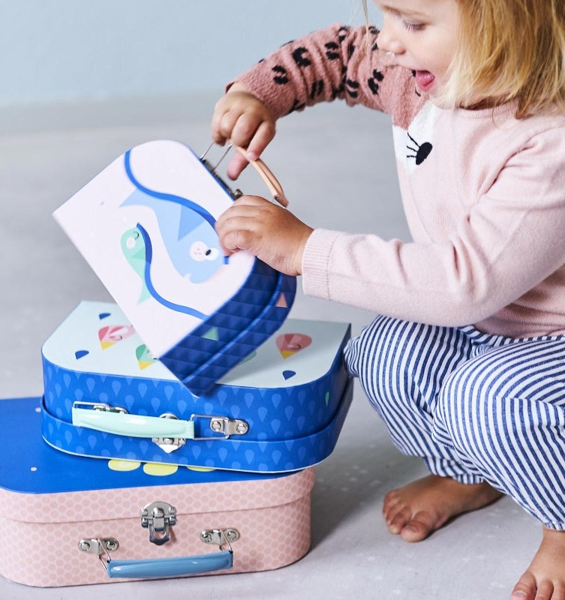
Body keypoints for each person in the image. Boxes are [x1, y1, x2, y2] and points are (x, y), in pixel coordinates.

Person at [211, 0, 565, 598]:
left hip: (549, 334)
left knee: (489, 401)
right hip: (488, 316)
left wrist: (306, 251)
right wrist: (259, 94)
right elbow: (340, 55)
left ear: (510, 26)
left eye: (414, 23)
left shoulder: (549, 140)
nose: (389, 41)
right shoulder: (420, 76)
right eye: (389, 15)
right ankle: (471, 473)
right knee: (382, 354)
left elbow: (461, 283)